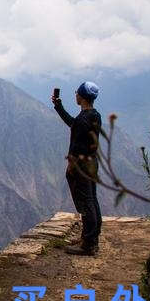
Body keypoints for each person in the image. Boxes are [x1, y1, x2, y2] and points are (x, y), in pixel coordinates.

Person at [51, 82, 102, 256]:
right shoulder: (94, 115)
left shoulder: (83, 119)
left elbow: (77, 146)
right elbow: (74, 124)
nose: (75, 95)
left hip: (81, 167)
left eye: (76, 93)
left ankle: (88, 245)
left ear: (81, 96)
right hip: (92, 164)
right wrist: (59, 107)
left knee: (85, 203)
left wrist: (71, 167)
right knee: (92, 200)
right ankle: (91, 238)